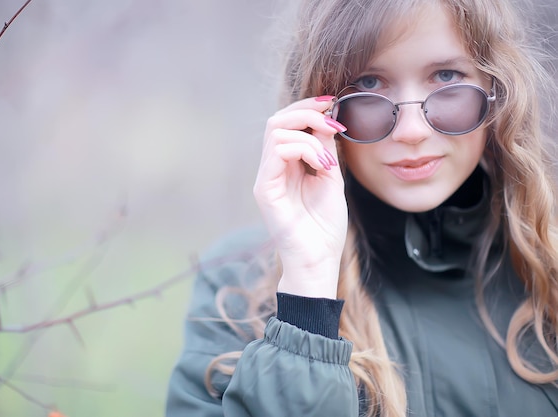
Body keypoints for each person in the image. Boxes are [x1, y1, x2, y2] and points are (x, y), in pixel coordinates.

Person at [166, 0, 558, 415]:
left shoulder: (547, 274)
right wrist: (307, 299)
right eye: (369, 84)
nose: (411, 131)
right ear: (318, 107)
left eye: (446, 76)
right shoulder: (241, 291)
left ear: (500, 93)